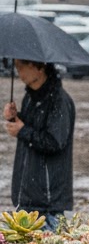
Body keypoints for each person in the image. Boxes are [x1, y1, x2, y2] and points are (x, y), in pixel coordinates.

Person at [3, 59, 75, 230]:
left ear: (39, 68)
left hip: (49, 202)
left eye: (21, 66)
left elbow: (54, 142)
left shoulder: (59, 101)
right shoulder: (31, 97)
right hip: (27, 195)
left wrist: (22, 130)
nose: (18, 71)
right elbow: (34, 127)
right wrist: (15, 117)